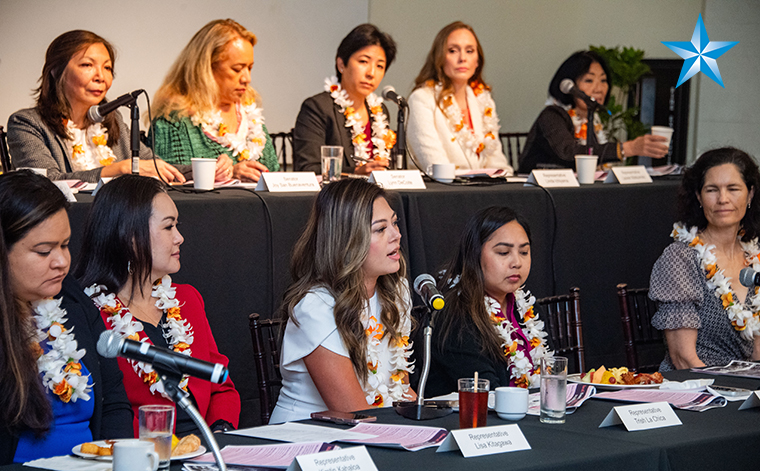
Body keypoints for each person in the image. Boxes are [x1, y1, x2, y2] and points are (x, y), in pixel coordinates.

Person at [73, 175, 240, 434]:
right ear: (130, 237)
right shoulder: (90, 313)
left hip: (204, 448)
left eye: (177, 225)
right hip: (140, 456)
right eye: (168, 227)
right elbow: (105, 411)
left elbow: (221, 387)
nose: (180, 237)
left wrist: (220, 430)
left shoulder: (187, 299)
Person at [0, 170, 132, 465]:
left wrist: (116, 467)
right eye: (44, 251)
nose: (61, 262)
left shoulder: (72, 299)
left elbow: (113, 402)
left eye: (65, 245)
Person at [270, 179, 415, 423]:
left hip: (376, 430)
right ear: (348, 241)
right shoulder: (316, 307)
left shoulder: (396, 291)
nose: (397, 235)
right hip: (309, 439)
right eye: (380, 229)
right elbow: (355, 412)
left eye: (395, 223)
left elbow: (401, 390)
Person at [7, 30, 185, 183]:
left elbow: (155, 166)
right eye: (87, 65)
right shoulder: (26, 123)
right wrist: (119, 169)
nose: (101, 76)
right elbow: (46, 182)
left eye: (107, 68)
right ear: (56, 71)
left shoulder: (113, 120)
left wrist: (206, 170)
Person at [650, 147, 760, 371]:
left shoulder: (755, 255)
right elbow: (683, 360)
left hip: (748, 389)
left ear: (750, 194)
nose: (723, 199)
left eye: (733, 188)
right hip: (697, 389)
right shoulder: (680, 259)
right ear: (699, 197)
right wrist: (731, 391)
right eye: (712, 190)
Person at [426, 206, 552, 397]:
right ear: (474, 255)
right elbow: (487, 394)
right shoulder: (455, 317)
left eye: (524, 252)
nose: (516, 262)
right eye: (503, 252)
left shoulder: (527, 308)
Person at [152, 19, 279, 183]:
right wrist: (230, 173)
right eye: (237, 69)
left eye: (250, 68)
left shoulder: (249, 114)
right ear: (207, 67)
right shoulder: (174, 119)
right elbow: (170, 184)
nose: (247, 78)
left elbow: (275, 175)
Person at [518, 50, 669, 173]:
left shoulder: (593, 119)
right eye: (589, 81)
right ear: (568, 85)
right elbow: (568, 153)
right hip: (541, 195)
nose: (599, 88)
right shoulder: (552, 115)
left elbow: (594, 154)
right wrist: (628, 148)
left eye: (603, 81)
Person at [407, 22, 511, 174]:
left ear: (477, 61)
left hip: (483, 191)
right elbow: (437, 168)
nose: (462, 58)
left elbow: (498, 164)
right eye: (453, 51)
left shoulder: (484, 101)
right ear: (440, 58)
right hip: (440, 192)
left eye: (469, 51)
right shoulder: (421, 99)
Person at [293, 24, 397, 175]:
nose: (371, 73)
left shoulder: (380, 112)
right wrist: (355, 173)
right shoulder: (317, 108)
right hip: (333, 197)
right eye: (363, 62)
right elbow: (308, 169)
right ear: (341, 64)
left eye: (380, 66)